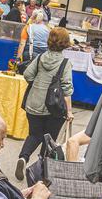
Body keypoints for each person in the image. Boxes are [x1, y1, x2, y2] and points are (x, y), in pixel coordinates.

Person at [15, 26, 75, 178]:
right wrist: (69, 111)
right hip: (53, 107)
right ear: (65, 43)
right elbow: (67, 89)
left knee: (34, 134)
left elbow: (28, 74)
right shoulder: (65, 63)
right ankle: (40, 170)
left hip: (34, 102)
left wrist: (38, 83)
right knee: (49, 138)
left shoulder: (40, 57)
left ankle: (23, 157)